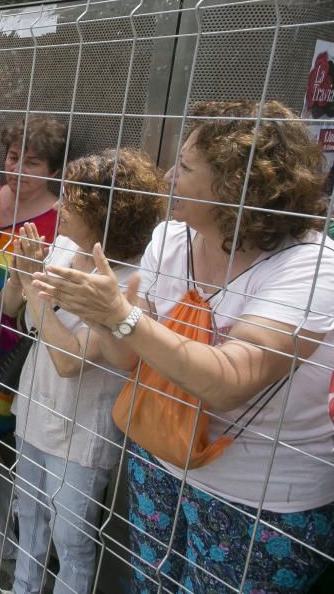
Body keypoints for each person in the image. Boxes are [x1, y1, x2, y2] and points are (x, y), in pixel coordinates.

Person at [32, 100, 334, 592]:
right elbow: (129, 357)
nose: (169, 176)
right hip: (160, 463)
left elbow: (230, 382)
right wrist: (99, 315)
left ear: (238, 187)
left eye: (187, 167)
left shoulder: (312, 267)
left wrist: (118, 316)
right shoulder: (170, 239)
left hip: (261, 502)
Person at [3, 148, 165, 594]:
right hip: (35, 408)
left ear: (104, 213)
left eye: (72, 201)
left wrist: (36, 287)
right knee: (28, 520)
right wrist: (19, 276)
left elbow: (69, 359)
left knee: (70, 539)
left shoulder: (132, 281)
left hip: (82, 432)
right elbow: (9, 308)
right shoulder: (60, 246)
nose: (59, 207)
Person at [0, 117, 67, 441]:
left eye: (32, 163)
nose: (17, 169)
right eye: (13, 157)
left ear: (54, 172)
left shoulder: (58, 224)